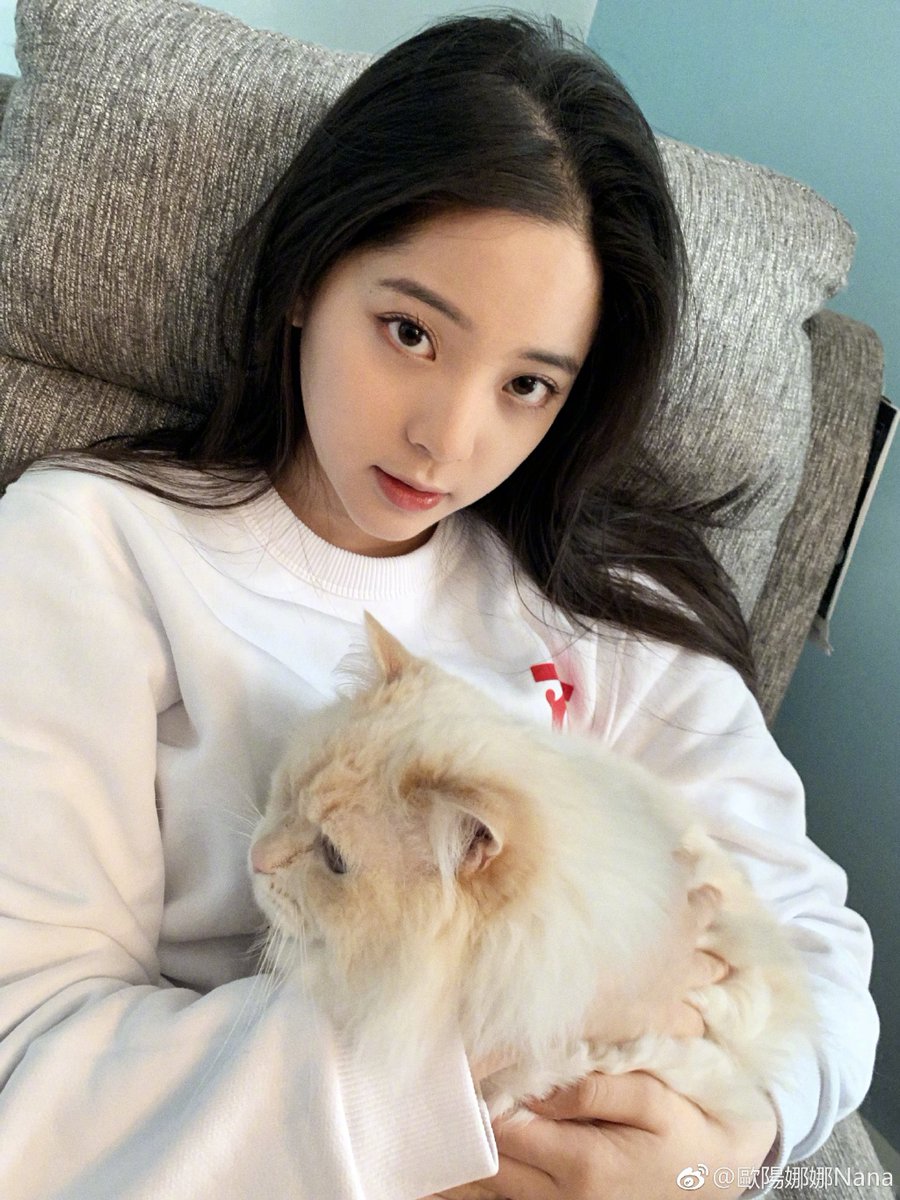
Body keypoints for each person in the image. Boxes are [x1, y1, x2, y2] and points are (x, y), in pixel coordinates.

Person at [0, 13, 877, 1200]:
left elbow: (815, 950)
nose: (448, 438)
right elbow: (31, 1084)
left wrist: (721, 1150)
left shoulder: (610, 614)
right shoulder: (91, 548)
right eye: (410, 333)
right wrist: (518, 1020)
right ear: (309, 276)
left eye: (527, 384)